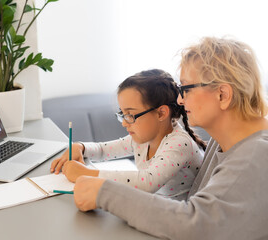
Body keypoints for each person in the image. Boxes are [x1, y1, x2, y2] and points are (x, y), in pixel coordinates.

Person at [72, 37, 268, 239]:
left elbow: (195, 224)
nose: (180, 100)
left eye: (186, 89)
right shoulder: (227, 140)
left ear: (223, 95)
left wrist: (105, 192)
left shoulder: (256, 156)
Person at [51, 69, 206, 200]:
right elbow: (103, 150)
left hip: (180, 220)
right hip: (157, 208)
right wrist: (80, 147)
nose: (124, 123)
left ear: (161, 113)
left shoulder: (179, 143)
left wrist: (86, 173)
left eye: (130, 115)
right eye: (122, 114)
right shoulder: (142, 139)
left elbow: (147, 183)